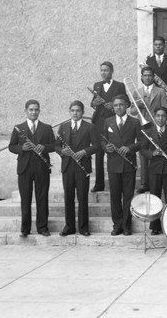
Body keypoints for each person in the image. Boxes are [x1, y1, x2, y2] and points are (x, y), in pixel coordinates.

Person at [8, 99, 55, 238]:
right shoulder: (18, 128)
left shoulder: (46, 128)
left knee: (42, 197)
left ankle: (42, 227)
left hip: (42, 167)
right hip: (25, 168)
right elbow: (11, 146)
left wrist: (45, 147)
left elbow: (54, 145)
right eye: (31, 109)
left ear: (39, 111)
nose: (34, 112)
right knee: (25, 198)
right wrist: (21, 148)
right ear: (26, 111)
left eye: (36, 109)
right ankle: (25, 228)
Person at [55, 101, 100, 237]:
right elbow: (56, 145)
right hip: (68, 166)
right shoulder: (63, 126)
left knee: (82, 197)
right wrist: (62, 151)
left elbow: (97, 146)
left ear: (83, 112)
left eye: (78, 110)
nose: (75, 113)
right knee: (68, 197)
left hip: (82, 167)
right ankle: (69, 226)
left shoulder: (90, 127)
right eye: (73, 110)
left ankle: (83, 227)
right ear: (69, 111)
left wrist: (84, 152)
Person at [101, 94, 142, 236]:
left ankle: (126, 226)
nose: (119, 107)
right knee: (115, 196)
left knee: (128, 196)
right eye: (116, 105)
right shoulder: (108, 121)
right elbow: (102, 140)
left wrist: (130, 148)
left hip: (129, 164)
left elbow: (142, 142)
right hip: (113, 163)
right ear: (113, 107)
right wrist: (107, 148)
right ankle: (117, 225)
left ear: (127, 105)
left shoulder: (135, 122)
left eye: (121, 105)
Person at [130, 65, 167, 192]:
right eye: (145, 75)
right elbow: (132, 111)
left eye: (149, 75)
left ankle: (159, 180)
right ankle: (144, 183)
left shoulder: (160, 91)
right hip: (142, 126)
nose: (147, 77)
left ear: (153, 77)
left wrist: (164, 126)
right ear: (142, 77)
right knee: (143, 153)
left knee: (158, 152)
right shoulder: (137, 92)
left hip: (155, 125)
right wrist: (138, 104)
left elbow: (165, 109)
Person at [140, 107, 167, 235]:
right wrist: (153, 153)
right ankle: (155, 226)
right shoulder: (149, 131)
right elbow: (143, 150)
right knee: (155, 198)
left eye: (163, 116)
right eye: (158, 116)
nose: (161, 118)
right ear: (154, 117)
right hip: (154, 169)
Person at [90, 61, 127, 193]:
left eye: (106, 70)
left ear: (111, 71)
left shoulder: (119, 85)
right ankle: (99, 184)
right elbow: (92, 104)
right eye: (101, 70)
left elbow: (125, 101)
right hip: (99, 123)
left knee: (115, 150)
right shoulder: (97, 85)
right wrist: (95, 102)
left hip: (113, 121)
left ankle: (118, 183)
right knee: (99, 153)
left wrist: (113, 106)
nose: (103, 72)